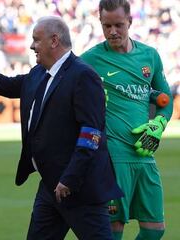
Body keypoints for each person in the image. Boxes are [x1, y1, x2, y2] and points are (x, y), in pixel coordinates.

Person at [0, 16, 123, 239]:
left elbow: (91, 134)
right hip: (51, 187)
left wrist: (70, 178)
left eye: (36, 40)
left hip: (80, 189)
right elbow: (5, 84)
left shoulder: (83, 75)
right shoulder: (39, 73)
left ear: (54, 41)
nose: (31, 46)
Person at [81, 0, 174, 239]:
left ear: (130, 22)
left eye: (119, 25)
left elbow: (165, 98)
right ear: (100, 23)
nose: (112, 31)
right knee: (113, 230)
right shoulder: (89, 60)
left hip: (145, 154)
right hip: (112, 158)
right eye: (107, 25)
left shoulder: (150, 56)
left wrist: (158, 125)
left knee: (155, 230)